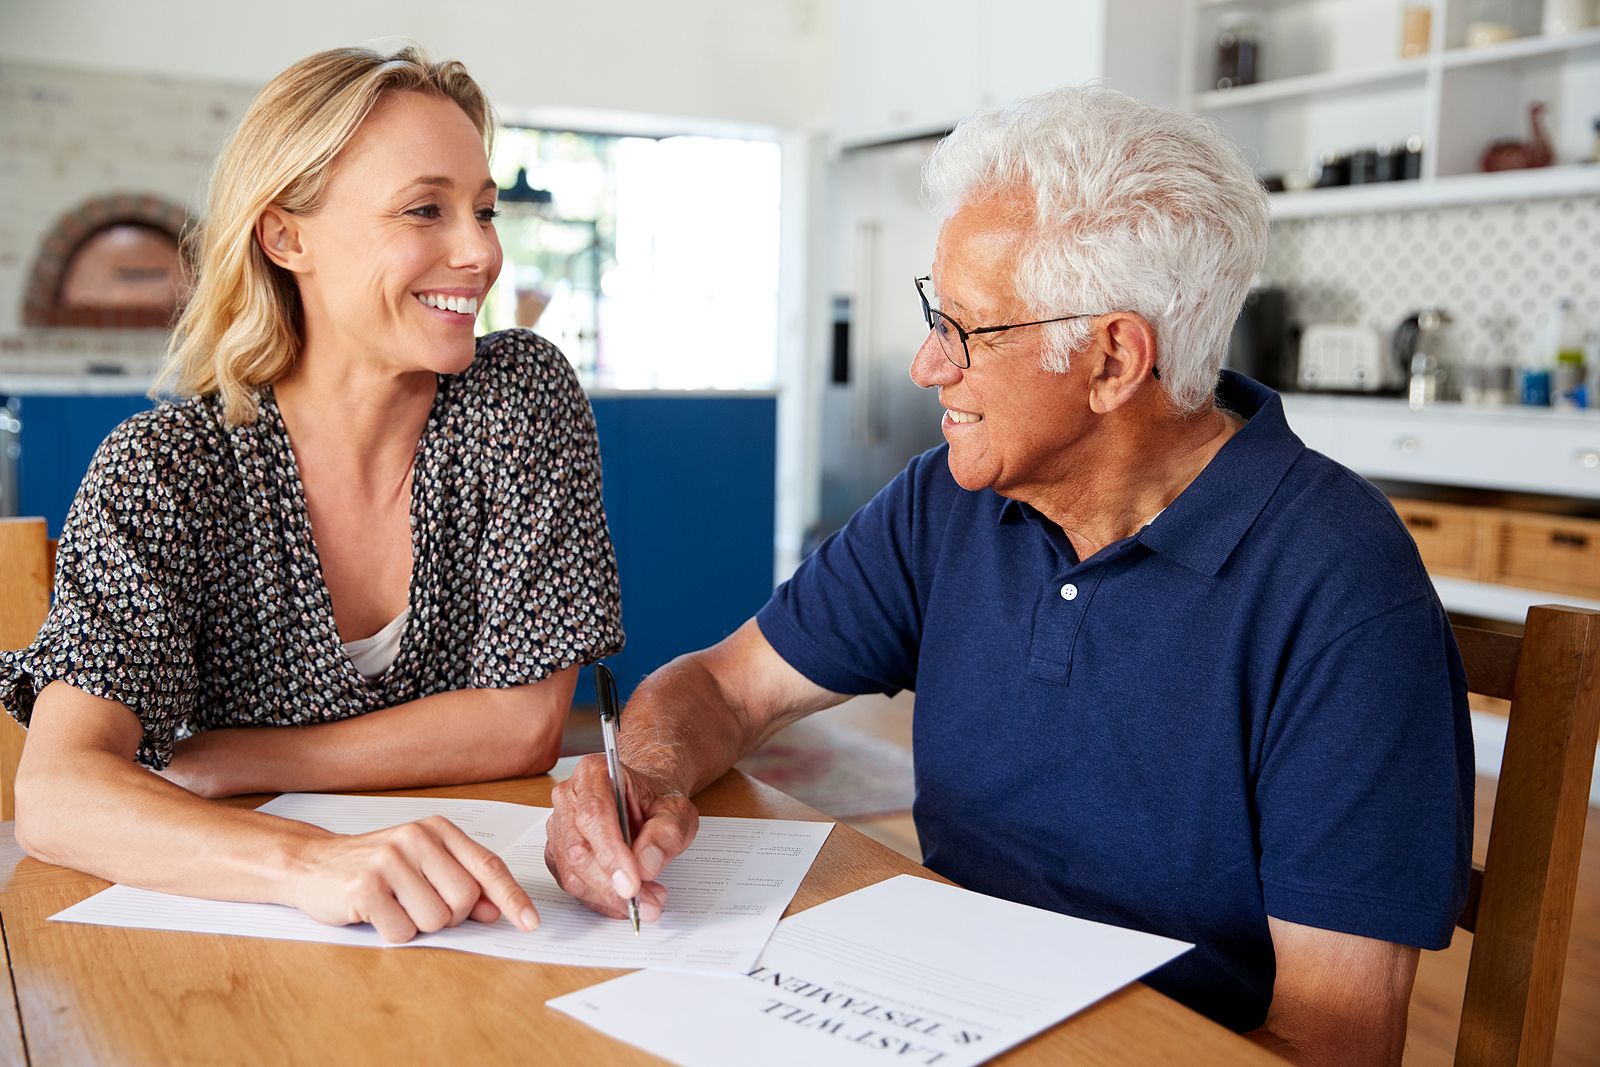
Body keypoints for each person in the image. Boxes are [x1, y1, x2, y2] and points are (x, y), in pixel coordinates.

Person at [545, 86, 1471, 1066]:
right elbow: (724, 685)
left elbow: (1335, 1041)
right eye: (930, 311)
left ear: (1114, 357)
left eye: (966, 329)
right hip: (923, 1007)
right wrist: (640, 779)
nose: (923, 363)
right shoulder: (944, 502)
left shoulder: (1340, 588)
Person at [0, 46, 624, 944]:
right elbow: (56, 792)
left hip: (477, 927)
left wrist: (233, 758)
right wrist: (310, 861)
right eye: (426, 209)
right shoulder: (170, 469)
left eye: (483, 211)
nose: (481, 250)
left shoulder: (515, 398)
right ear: (286, 236)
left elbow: (524, 722)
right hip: (241, 945)